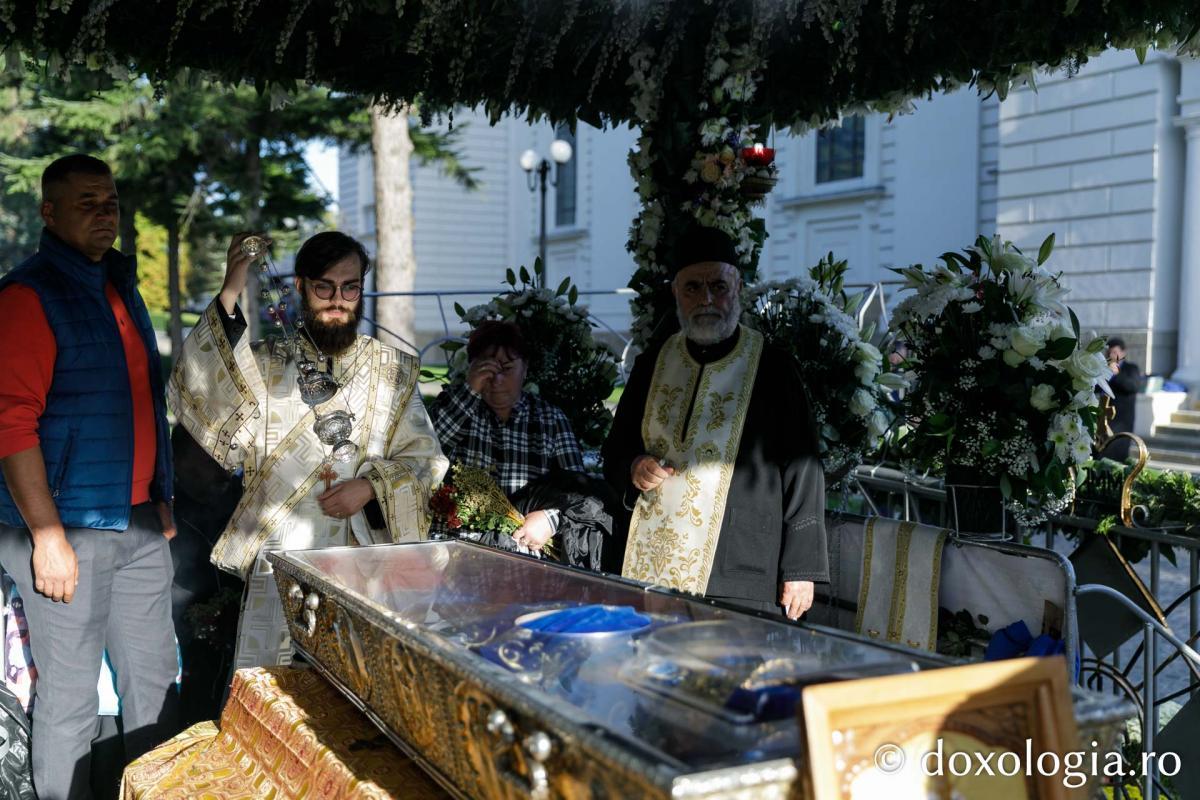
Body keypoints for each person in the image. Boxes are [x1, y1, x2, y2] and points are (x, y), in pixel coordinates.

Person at [168, 231, 447, 669]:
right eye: (324, 287)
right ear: (300, 286)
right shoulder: (262, 363)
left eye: (350, 287)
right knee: (276, 692)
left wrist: (372, 486)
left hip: (364, 564)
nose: (338, 299)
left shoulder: (391, 371)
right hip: (279, 558)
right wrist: (233, 282)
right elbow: (202, 388)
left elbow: (426, 461)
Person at [0, 154, 178, 800]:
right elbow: (10, 424)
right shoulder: (29, 295)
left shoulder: (118, 284)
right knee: (72, 701)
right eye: (86, 203)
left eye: (111, 203)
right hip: (65, 530)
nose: (105, 215)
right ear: (49, 213)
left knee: (155, 688)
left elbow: (141, 398)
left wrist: (158, 495)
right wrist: (46, 536)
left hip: (132, 520)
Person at [602, 226, 829, 619]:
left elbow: (804, 468)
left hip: (741, 571)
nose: (706, 299)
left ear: (737, 286)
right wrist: (634, 467)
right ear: (675, 292)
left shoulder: (774, 367)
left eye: (718, 286)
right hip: (651, 564)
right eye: (692, 288)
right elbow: (616, 449)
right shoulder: (651, 364)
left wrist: (800, 570)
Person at [430, 321, 623, 570]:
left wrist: (550, 520)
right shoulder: (457, 408)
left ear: (525, 369)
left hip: (528, 554)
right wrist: (470, 389)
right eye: (486, 368)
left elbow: (578, 492)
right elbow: (430, 446)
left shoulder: (550, 420)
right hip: (458, 550)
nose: (496, 379)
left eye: (507, 368)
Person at [1105, 337, 1143, 461]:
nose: (1111, 356)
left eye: (1115, 353)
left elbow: (1133, 386)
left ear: (1123, 353)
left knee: (1118, 455)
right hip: (1104, 421)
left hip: (1122, 420)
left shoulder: (1131, 368)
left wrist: (1116, 374)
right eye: (1109, 353)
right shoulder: (1103, 369)